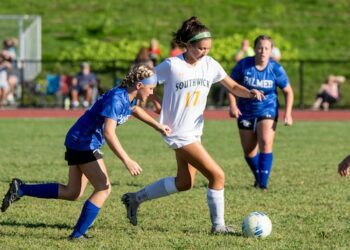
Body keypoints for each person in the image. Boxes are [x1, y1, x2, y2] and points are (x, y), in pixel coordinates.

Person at [121, 16, 264, 234]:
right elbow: (144, 83)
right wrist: (153, 99)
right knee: (218, 176)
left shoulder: (210, 65)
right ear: (188, 45)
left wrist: (250, 93)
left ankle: (134, 198)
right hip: (177, 132)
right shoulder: (172, 65)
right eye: (200, 48)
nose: (205, 52)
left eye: (208, 48)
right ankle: (218, 227)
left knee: (184, 182)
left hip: (194, 132)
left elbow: (233, 87)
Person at [1, 64, 171, 240]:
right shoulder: (117, 99)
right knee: (103, 189)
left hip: (79, 140)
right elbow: (109, 133)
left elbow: (134, 109)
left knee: (72, 192)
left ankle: (21, 189)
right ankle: (77, 234)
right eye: (151, 89)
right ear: (139, 86)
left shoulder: (129, 96)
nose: (152, 93)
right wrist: (127, 160)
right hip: (84, 143)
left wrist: (158, 126)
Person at [227, 35, 294, 190]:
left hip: (268, 108)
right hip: (245, 111)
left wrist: (288, 114)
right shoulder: (243, 65)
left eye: (266, 48)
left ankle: (263, 184)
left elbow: (288, 91)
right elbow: (231, 86)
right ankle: (259, 178)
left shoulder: (275, 68)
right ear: (254, 48)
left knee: (265, 141)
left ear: (271, 51)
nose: (263, 51)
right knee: (249, 151)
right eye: (260, 47)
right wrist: (232, 105)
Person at [217, 39, 255, 106]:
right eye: (243, 44)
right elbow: (237, 58)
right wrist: (242, 51)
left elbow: (250, 61)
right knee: (227, 86)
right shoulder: (239, 51)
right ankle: (221, 102)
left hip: (248, 74)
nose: (244, 46)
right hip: (238, 73)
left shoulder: (250, 50)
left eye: (245, 44)